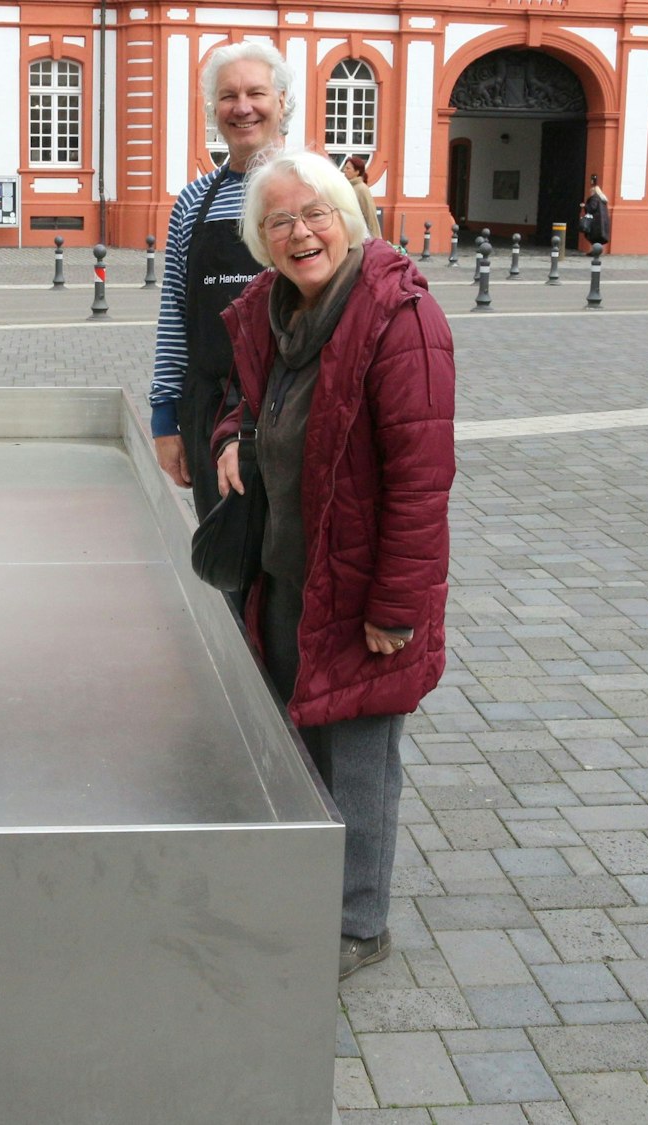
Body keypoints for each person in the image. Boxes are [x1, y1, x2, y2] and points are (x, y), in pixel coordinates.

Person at [212, 151, 456, 982]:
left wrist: (397, 606)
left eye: (314, 213)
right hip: (288, 574)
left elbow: (422, 480)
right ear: (261, 239)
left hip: (360, 589)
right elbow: (245, 405)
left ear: (348, 218)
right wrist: (224, 443)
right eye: (278, 221)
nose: (299, 232)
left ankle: (359, 922)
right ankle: (310, 889)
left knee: (358, 760)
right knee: (296, 742)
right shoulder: (273, 312)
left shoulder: (399, 317)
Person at [151, 40, 297, 523]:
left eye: (256, 93)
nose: (242, 107)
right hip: (208, 406)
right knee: (226, 558)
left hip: (291, 405)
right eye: (228, 96)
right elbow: (175, 312)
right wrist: (165, 416)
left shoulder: (308, 190)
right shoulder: (193, 201)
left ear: (281, 101)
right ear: (214, 109)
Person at [341, 155, 380, 240]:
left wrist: (377, 239)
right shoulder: (347, 187)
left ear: (357, 172)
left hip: (360, 236)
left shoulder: (362, 189)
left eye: (348, 168)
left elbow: (370, 214)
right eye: (345, 168)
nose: (344, 171)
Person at [581, 173, 611, 249]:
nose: (590, 193)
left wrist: (584, 206)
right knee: (598, 238)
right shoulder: (602, 198)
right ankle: (597, 251)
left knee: (593, 236)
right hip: (601, 222)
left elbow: (592, 208)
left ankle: (595, 251)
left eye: (591, 191)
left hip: (596, 222)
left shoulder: (594, 198)